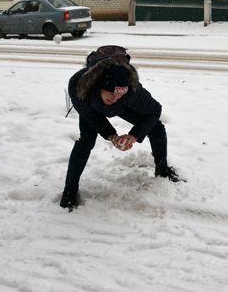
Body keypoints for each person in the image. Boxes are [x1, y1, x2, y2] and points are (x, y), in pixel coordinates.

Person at [60, 54, 181, 209]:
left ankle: (162, 170)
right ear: (99, 86)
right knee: (86, 140)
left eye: (120, 93)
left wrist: (134, 135)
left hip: (123, 107)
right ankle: (69, 191)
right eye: (112, 93)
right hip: (91, 106)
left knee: (156, 127)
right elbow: (92, 117)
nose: (115, 97)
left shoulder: (132, 91)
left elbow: (155, 111)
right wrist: (112, 135)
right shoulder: (79, 86)